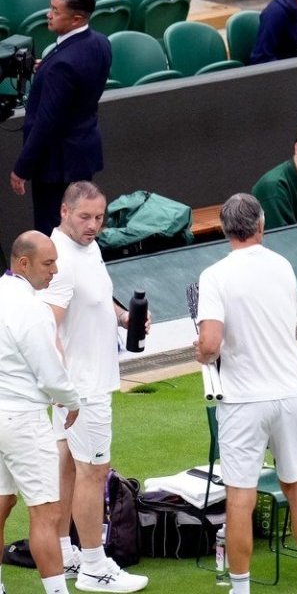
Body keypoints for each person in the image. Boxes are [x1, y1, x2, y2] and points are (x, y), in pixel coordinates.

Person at [194, 194, 297, 594]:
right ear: (261, 224)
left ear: (223, 228)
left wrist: (199, 350)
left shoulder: (214, 276)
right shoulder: (283, 266)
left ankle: (240, 589)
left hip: (244, 401)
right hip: (290, 393)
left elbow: (211, 342)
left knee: (240, 496)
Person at [39, 182, 149, 593]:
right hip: (81, 388)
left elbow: (97, 298)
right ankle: (93, 566)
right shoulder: (61, 262)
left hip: (79, 385)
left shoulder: (88, 249)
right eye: (84, 217)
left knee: (68, 465)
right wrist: (63, 389)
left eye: (99, 218)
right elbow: (47, 326)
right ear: (64, 211)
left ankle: (66, 551)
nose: (93, 225)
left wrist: (122, 317)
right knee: (93, 471)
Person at [0, 231, 81, 594]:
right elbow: (50, 372)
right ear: (23, 263)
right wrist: (72, 400)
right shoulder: (32, 309)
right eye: (48, 264)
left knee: (1, 503)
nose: (55, 271)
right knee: (46, 513)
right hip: (23, 420)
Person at [10, 0, 112, 236]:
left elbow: (45, 123)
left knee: (54, 232)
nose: (48, 14)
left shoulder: (62, 66)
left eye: (56, 11)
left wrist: (22, 168)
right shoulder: (100, 42)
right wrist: (45, 68)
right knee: (80, 229)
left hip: (56, 165)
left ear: (76, 19)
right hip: (82, 153)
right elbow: (79, 77)